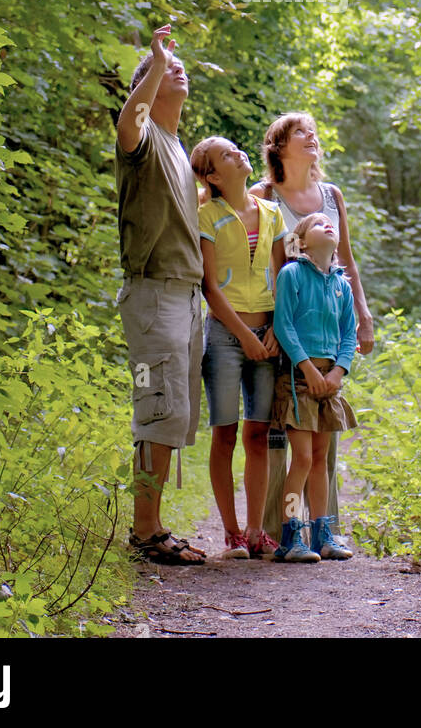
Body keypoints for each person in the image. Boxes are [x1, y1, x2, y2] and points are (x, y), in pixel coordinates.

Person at [254, 112, 374, 543]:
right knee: (284, 445)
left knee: (320, 450)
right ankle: (281, 530)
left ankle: (323, 530)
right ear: (278, 146)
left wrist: (362, 316)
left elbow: (347, 262)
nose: (311, 138)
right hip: (285, 336)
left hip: (329, 332)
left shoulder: (331, 196)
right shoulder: (264, 194)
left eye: (313, 133)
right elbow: (261, 265)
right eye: (300, 132)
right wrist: (266, 323)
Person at [115, 23, 206, 565]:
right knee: (154, 405)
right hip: (152, 299)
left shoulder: (177, 148)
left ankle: (150, 527)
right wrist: (153, 62)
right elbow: (130, 121)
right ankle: (145, 533)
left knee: (170, 412)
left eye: (176, 65)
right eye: (164, 68)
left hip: (184, 299)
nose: (177, 67)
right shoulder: (143, 139)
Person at [190, 136, 287, 560]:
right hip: (227, 338)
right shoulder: (205, 216)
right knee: (226, 432)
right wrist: (244, 336)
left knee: (259, 433)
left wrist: (276, 330)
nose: (240, 154)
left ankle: (255, 531)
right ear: (212, 175)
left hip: (268, 332)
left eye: (237, 150)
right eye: (227, 155)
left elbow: (285, 277)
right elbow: (209, 286)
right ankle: (230, 534)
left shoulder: (271, 212)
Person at [271, 211, 357, 561]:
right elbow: (284, 324)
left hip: (329, 384)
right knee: (303, 458)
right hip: (297, 380)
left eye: (329, 222)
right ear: (302, 242)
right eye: (317, 223)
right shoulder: (292, 274)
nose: (328, 224)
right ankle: (291, 535)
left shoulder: (342, 284)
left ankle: (325, 533)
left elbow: (349, 334)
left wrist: (337, 373)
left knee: (322, 459)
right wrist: (307, 368)